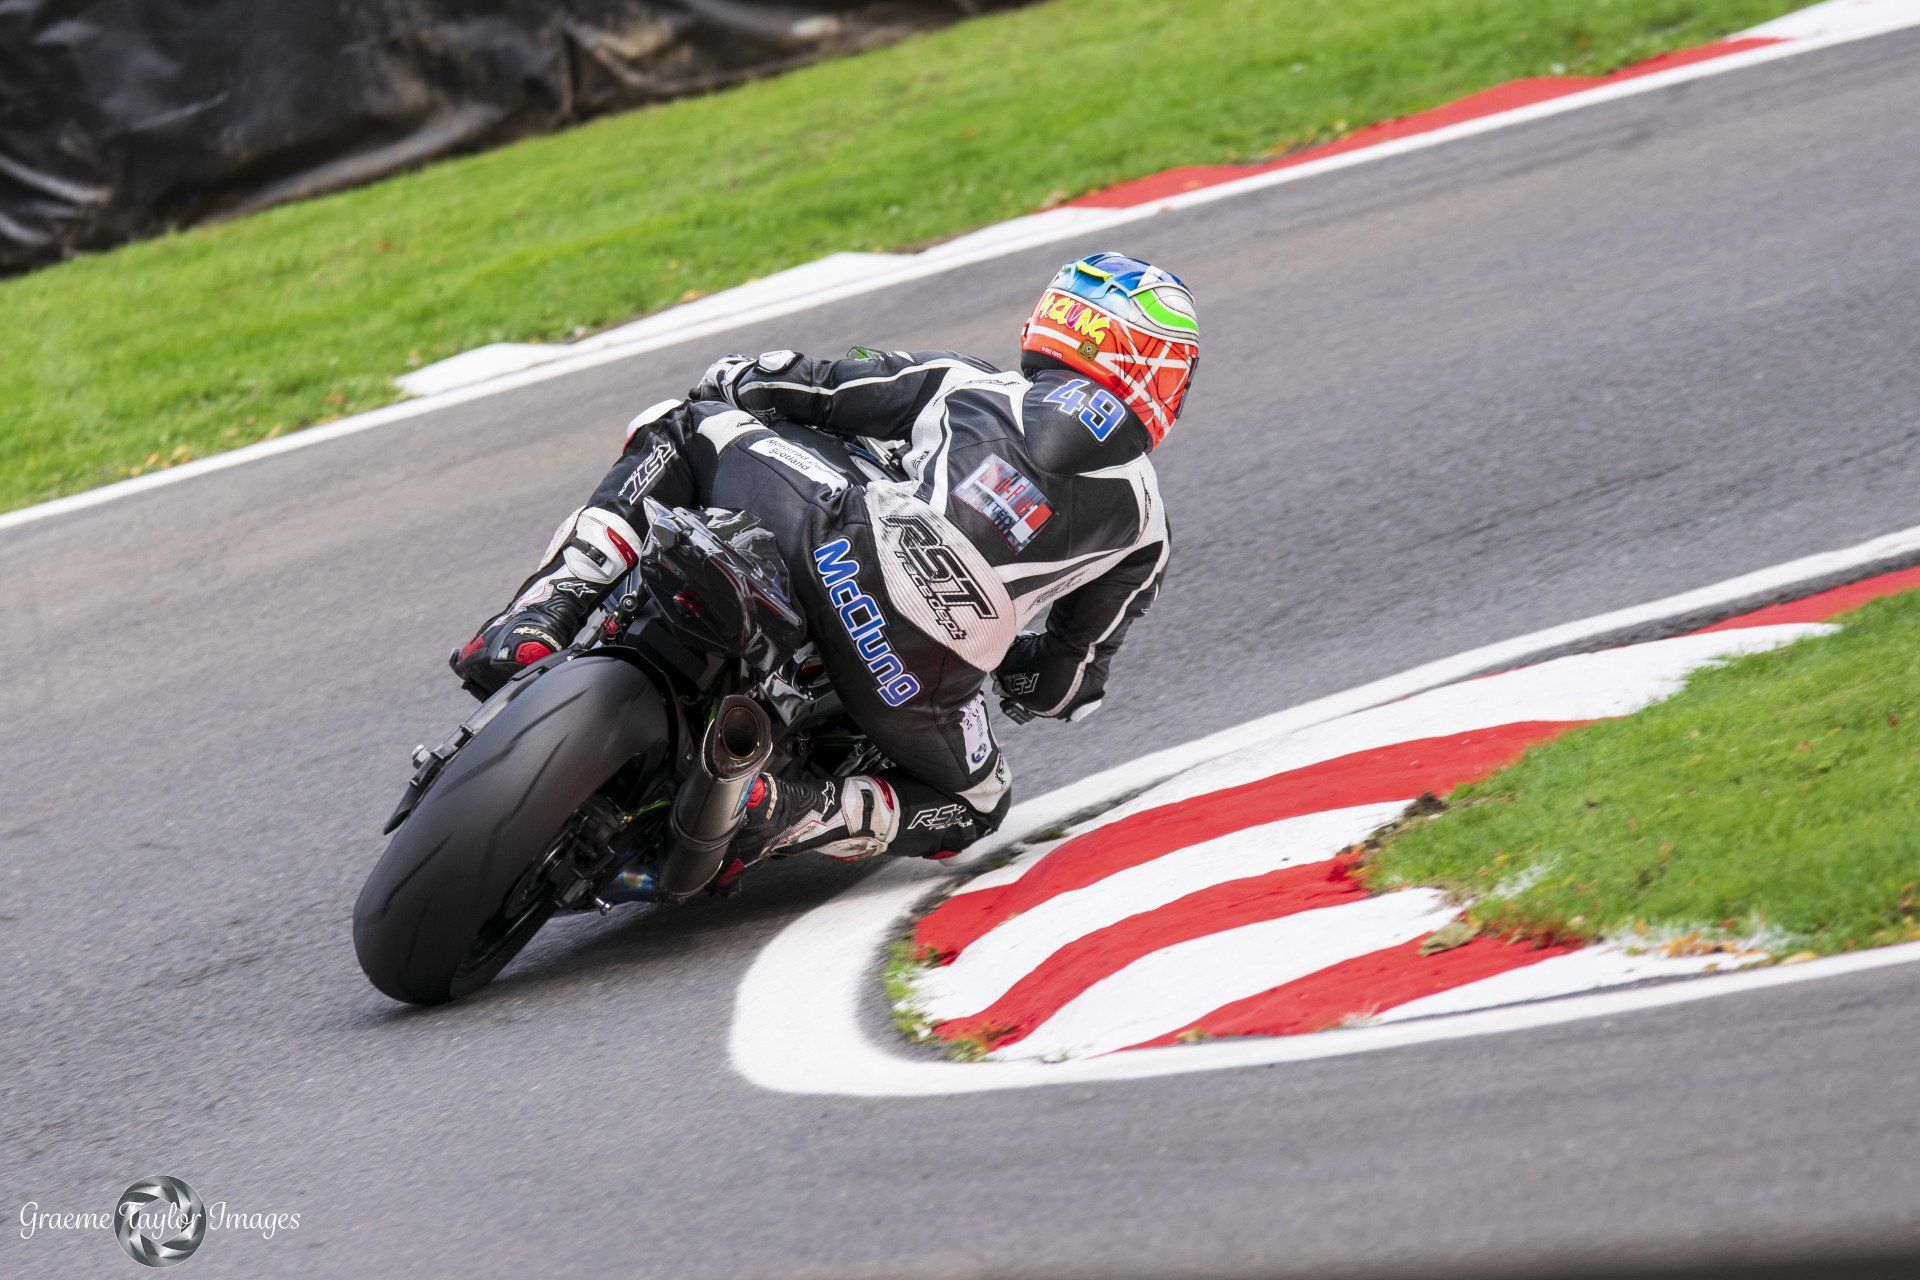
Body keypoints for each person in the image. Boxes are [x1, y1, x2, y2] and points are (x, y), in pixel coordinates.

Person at [452, 251, 1199, 870]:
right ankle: (789, 808)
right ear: (1153, 372)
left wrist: (737, 376)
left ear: (1058, 324)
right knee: (979, 803)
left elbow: (809, 386)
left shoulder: (969, 382)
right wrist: (1005, 658)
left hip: (832, 545)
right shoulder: (1147, 529)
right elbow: (1061, 687)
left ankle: (540, 615)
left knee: (684, 425)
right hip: (919, 674)